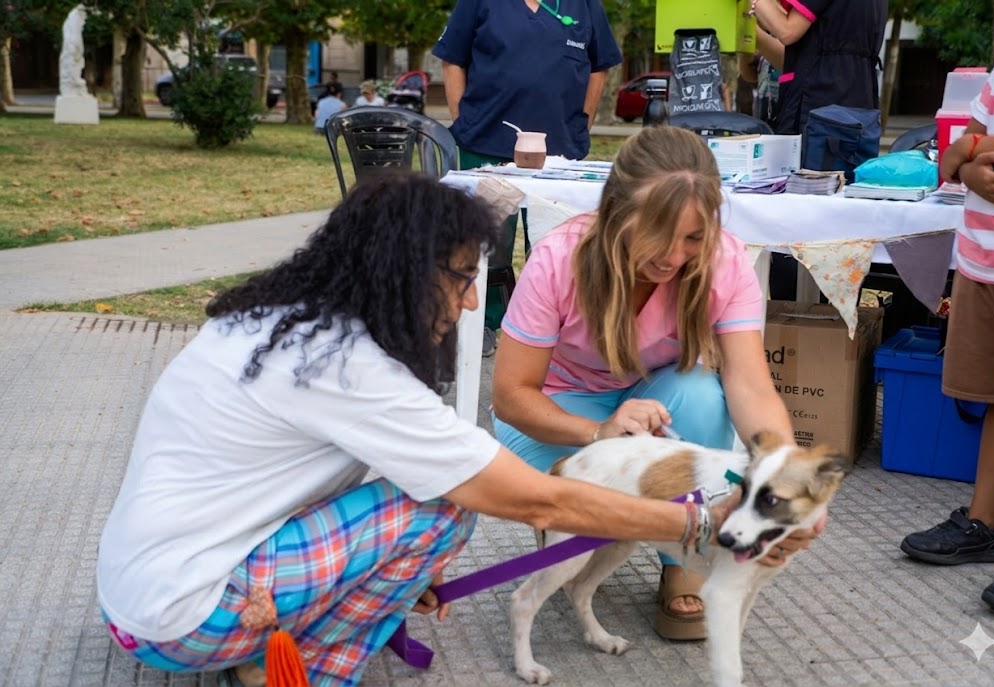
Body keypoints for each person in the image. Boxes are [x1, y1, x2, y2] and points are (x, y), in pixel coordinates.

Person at [95, 173, 817, 686]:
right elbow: (540, 502)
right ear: (402, 272)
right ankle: (298, 670)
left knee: (422, 498)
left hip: (135, 596)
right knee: (442, 506)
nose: (473, 303)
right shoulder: (350, 367)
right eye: (463, 277)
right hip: (187, 616)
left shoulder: (278, 321)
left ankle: (272, 639)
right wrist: (694, 523)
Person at [491, 126, 821, 641]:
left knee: (699, 392)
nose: (672, 256)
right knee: (572, 503)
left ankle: (680, 558)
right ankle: (575, 512)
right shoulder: (561, 258)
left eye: (692, 237)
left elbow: (751, 386)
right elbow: (510, 395)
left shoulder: (725, 261)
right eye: (656, 235)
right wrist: (598, 431)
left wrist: (786, 478)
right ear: (617, 213)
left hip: (652, 400)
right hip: (553, 413)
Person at [900, 36, 994, 616]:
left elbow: (965, 144)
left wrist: (972, 148)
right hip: (987, 256)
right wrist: (970, 164)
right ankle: (984, 525)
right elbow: (953, 151)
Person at [431, 0, 622, 356]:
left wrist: (583, 122)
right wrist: (463, 122)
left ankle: (549, 329)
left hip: (559, 149)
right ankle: (484, 323)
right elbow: (452, 58)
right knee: (488, 242)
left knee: (556, 243)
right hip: (486, 141)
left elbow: (600, 65)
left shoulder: (584, 5)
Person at [747, 0, 888, 301]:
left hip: (819, 115)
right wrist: (758, 36)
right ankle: (829, 327)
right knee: (840, 228)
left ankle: (800, 328)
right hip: (854, 110)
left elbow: (788, 30)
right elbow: (802, 56)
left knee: (798, 228)